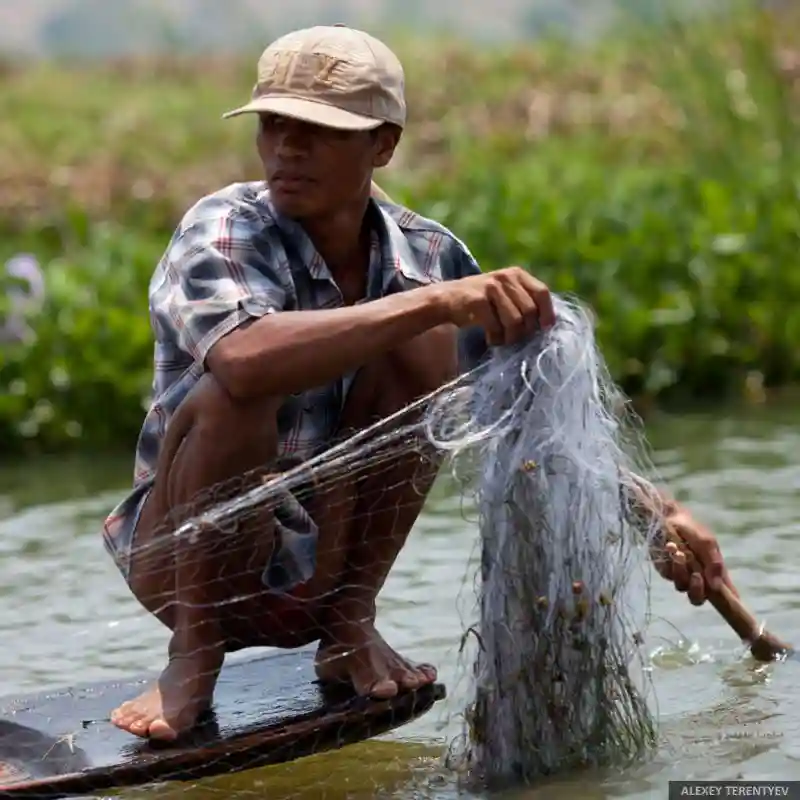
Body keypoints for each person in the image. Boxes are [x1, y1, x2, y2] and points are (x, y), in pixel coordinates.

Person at [101, 24, 739, 742]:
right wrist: (431, 302)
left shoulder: (430, 253)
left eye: (317, 129)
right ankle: (195, 654)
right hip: (184, 570)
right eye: (273, 125)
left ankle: (347, 628)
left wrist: (658, 514)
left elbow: (533, 409)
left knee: (425, 351)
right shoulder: (224, 226)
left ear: (383, 145)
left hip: (329, 563)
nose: (287, 148)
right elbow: (247, 359)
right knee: (231, 395)